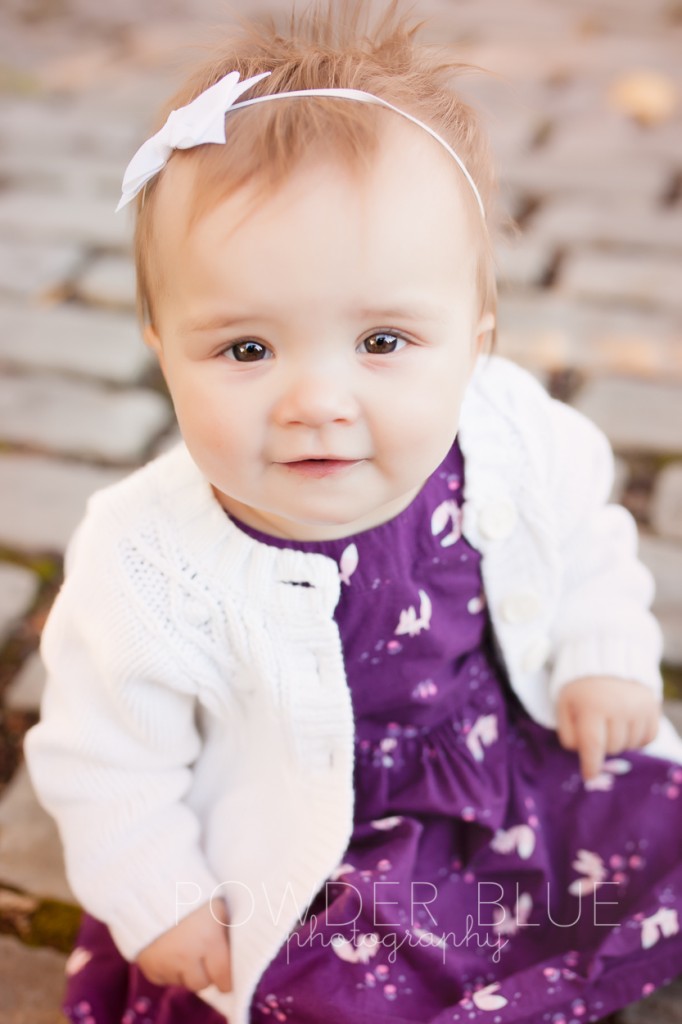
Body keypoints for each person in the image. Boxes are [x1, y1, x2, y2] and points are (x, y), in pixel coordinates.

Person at [24, 3, 682, 1023]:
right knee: (339, 994)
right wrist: (160, 894)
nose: (317, 400)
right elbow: (106, 752)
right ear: (160, 343)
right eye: (246, 349)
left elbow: (586, 542)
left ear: (475, 336)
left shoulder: (510, 431)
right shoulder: (147, 554)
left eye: (382, 341)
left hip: (499, 767)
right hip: (311, 848)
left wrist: (600, 654)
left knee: (657, 810)